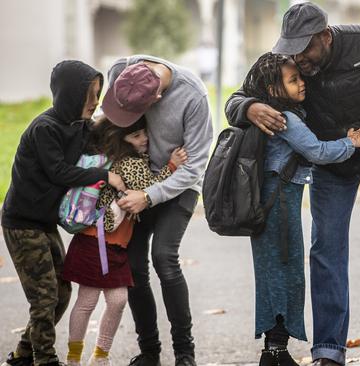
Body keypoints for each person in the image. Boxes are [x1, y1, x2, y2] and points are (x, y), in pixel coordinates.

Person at [226, 3, 360, 366]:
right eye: (291, 47)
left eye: (305, 47)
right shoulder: (282, 60)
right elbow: (238, 98)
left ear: (325, 35)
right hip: (332, 164)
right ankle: (328, 351)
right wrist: (248, 109)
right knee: (326, 253)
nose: (298, 57)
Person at [241, 52, 360, 366]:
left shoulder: (278, 111)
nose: (302, 84)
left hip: (275, 202)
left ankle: (274, 351)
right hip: (279, 204)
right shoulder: (286, 118)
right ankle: (275, 352)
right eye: (293, 80)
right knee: (287, 273)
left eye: (300, 77)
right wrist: (350, 143)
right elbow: (317, 151)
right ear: (273, 89)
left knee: (276, 273)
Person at [1, 60, 126, 366]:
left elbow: (107, 137)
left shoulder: (80, 126)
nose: (95, 102)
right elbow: (59, 172)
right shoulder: (45, 128)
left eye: (98, 94)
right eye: (90, 96)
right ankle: (45, 358)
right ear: (70, 95)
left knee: (61, 292)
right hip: (22, 222)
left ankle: (23, 353)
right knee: (43, 297)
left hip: (45, 223)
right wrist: (104, 175)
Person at [101, 55, 213, 366]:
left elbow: (194, 168)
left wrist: (148, 197)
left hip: (178, 184)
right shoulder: (122, 72)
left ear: (158, 97)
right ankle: (149, 353)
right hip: (138, 178)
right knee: (133, 264)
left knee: (164, 257)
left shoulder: (193, 96)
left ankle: (184, 353)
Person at [62, 115, 188, 366]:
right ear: (122, 139)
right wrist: (172, 166)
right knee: (87, 301)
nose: (144, 139)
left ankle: (100, 355)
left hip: (116, 245)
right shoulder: (128, 163)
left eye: (144, 132)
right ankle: (74, 358)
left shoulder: (132, 160)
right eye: (136, 135)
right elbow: (149, 189)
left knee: (118, 300)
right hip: (95, 242)